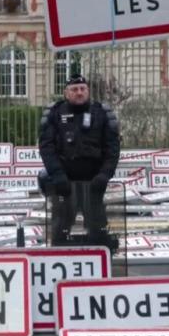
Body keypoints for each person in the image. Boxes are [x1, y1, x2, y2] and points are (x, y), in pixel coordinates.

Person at [38, 74, 120, 246]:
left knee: (98, 229)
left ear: (88, 91)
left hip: (94, 183)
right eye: (74, 89)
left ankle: (103, 262)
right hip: (64, 185)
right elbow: (47, 147)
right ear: (66, 93)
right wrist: (58, 175)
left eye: (83, 89)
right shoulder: (55, 113)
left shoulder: (101, 113)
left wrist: (105, 175)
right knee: (61, 228)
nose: (79, 92)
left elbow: (112, 148)